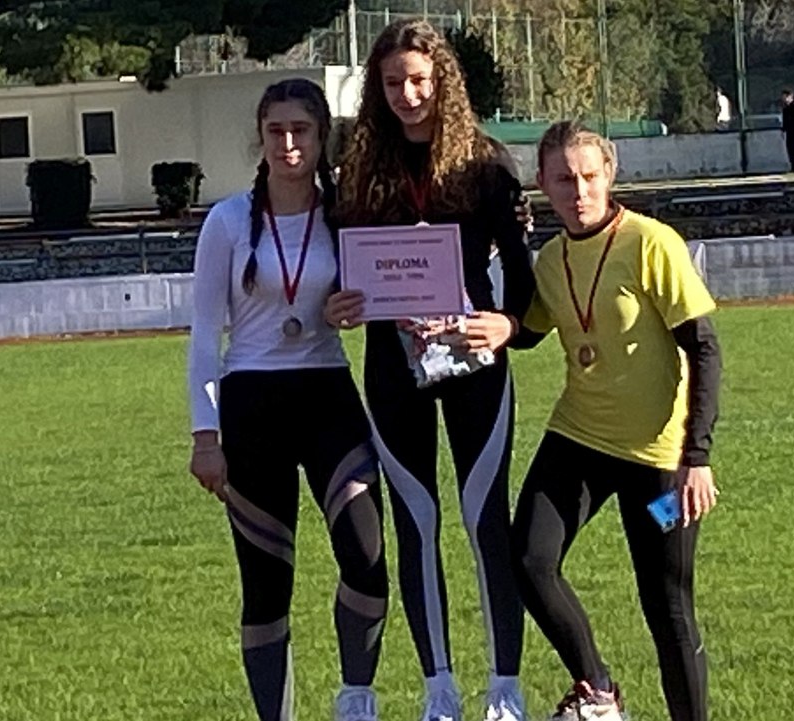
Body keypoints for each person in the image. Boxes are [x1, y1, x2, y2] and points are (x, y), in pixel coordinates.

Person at [323, 18, 536, 721]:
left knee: (484, 520)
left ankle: (504, 688)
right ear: (377, 90)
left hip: (475, 362)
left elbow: (523, 277)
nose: (408, 95)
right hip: (393, 368)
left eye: (419, 80)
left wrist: (508, 326)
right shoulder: (359, 167)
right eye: (393, 83)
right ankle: (439, 687)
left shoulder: (485, 164)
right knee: (416, 521)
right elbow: (340, 272)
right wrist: (341, 303)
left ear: (442, 80)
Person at [187, 78, 388, 721]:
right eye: (275, 131)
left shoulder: (344, 214)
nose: (288, 143)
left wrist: (348, 308)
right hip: (253, 406)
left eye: (301, 130)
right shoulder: (226, 222)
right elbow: (204, 334)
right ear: (261, 137)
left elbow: (381, 286)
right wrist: (205, 435)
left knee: (366, 555)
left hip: (328, 395)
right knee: (266, 585)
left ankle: (356, 699)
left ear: (322, 136)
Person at [509, 121, 722, 721]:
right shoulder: (552, 260)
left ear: (609, 175)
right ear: (543, 184)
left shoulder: (651, 243)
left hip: (659, 461)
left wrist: (696, 458)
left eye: (588, 176)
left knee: (667, 606)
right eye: (563, 179)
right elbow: (525, 332)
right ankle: (598, 691)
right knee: (529, 560)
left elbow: (705, 348)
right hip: (579, 437)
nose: (578, 191)